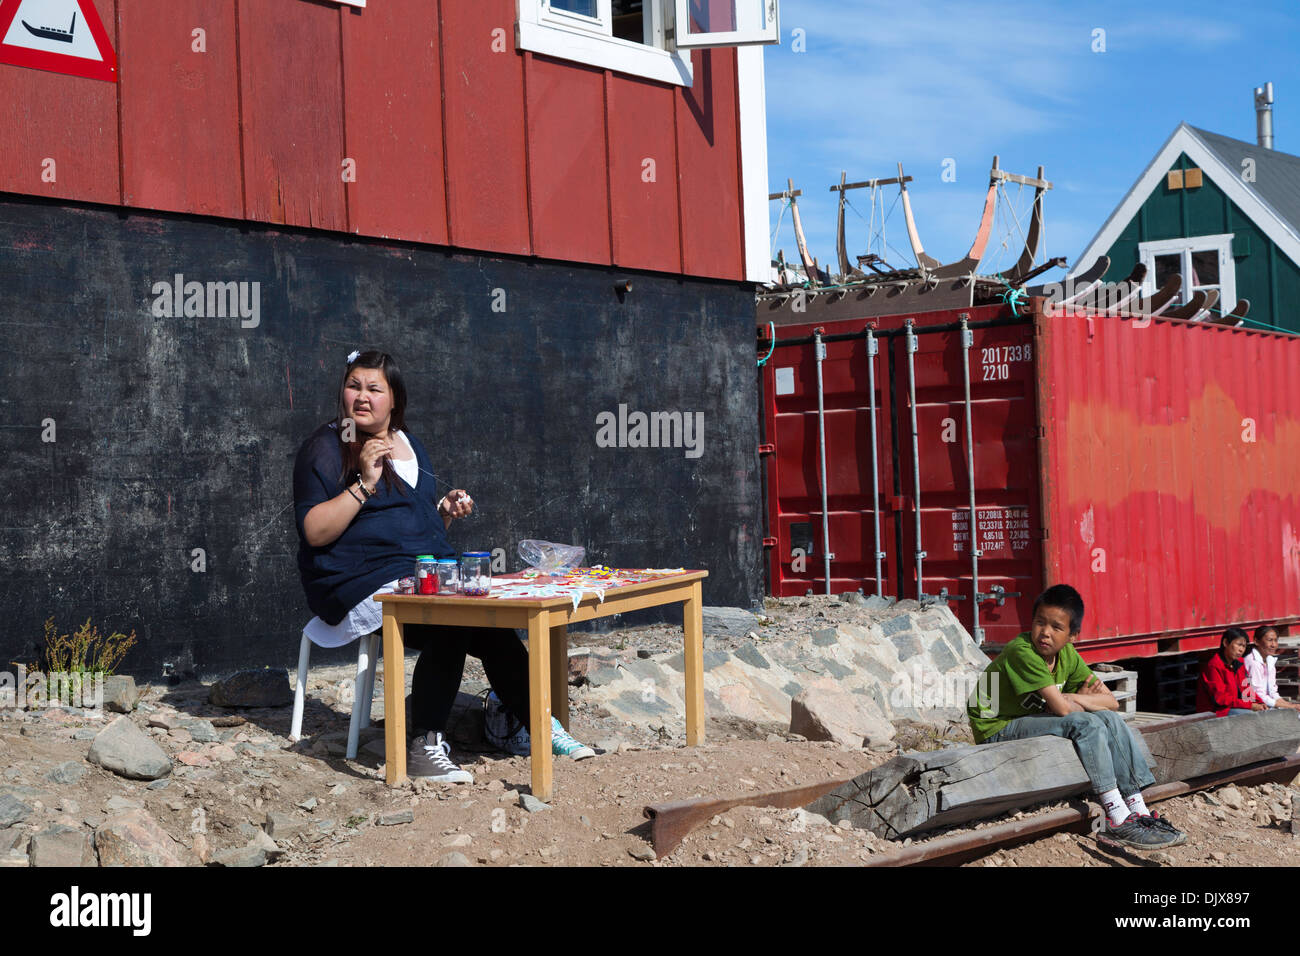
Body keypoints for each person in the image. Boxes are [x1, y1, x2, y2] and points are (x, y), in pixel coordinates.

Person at [293, 349, 593, 783]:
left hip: (418, 571)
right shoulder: (324, 447)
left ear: (394, 397)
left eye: (374, 388)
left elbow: (413, 528)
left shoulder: (409, 444)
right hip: (357, 579)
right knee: (450, 620)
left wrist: (445, 512)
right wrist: (365, 483)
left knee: (491, 621)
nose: (361, 397)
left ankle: (537, 724)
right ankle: (424, 746)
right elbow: (315, 533)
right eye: (353, 385)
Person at [967, 584, 1185, 849]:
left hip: (1026, 718)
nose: (1045, 633)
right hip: (995, 726)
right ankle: (1116, 817)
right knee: (1088, 723)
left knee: (1110, 720)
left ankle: (1137, 809)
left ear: (1072, 635)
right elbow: (1063, 711)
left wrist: (1076, 698)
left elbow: (1111, 702)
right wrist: (1069, 704)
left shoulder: (1067, 655)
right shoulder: (1022, 651)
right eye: (1039, 622)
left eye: (1056, 627)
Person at [1196, 628, 1267, 717]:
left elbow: (1246, 689)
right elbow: (1220, 699)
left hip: (1233, 707)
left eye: (1244, 646)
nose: (1241, 650)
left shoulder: (1239, 662)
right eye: (1239, 645)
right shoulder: (1214, 666)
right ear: (1226, 643)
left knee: (1266, 712)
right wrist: (1250, 705)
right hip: (1216, 712)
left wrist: (1260, 703)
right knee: (1250, 716)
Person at [1241, 625, 1299, 711]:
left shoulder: (1270, 660)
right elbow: (1259, 695)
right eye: (1270, 640)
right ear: (1256, 641)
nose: (1274, 645)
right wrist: (1290, 707)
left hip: (1265, 703)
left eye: (1275, 640)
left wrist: (1290, 705)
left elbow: (1273, 692)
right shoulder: (1253, 662)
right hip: (1253, 705)